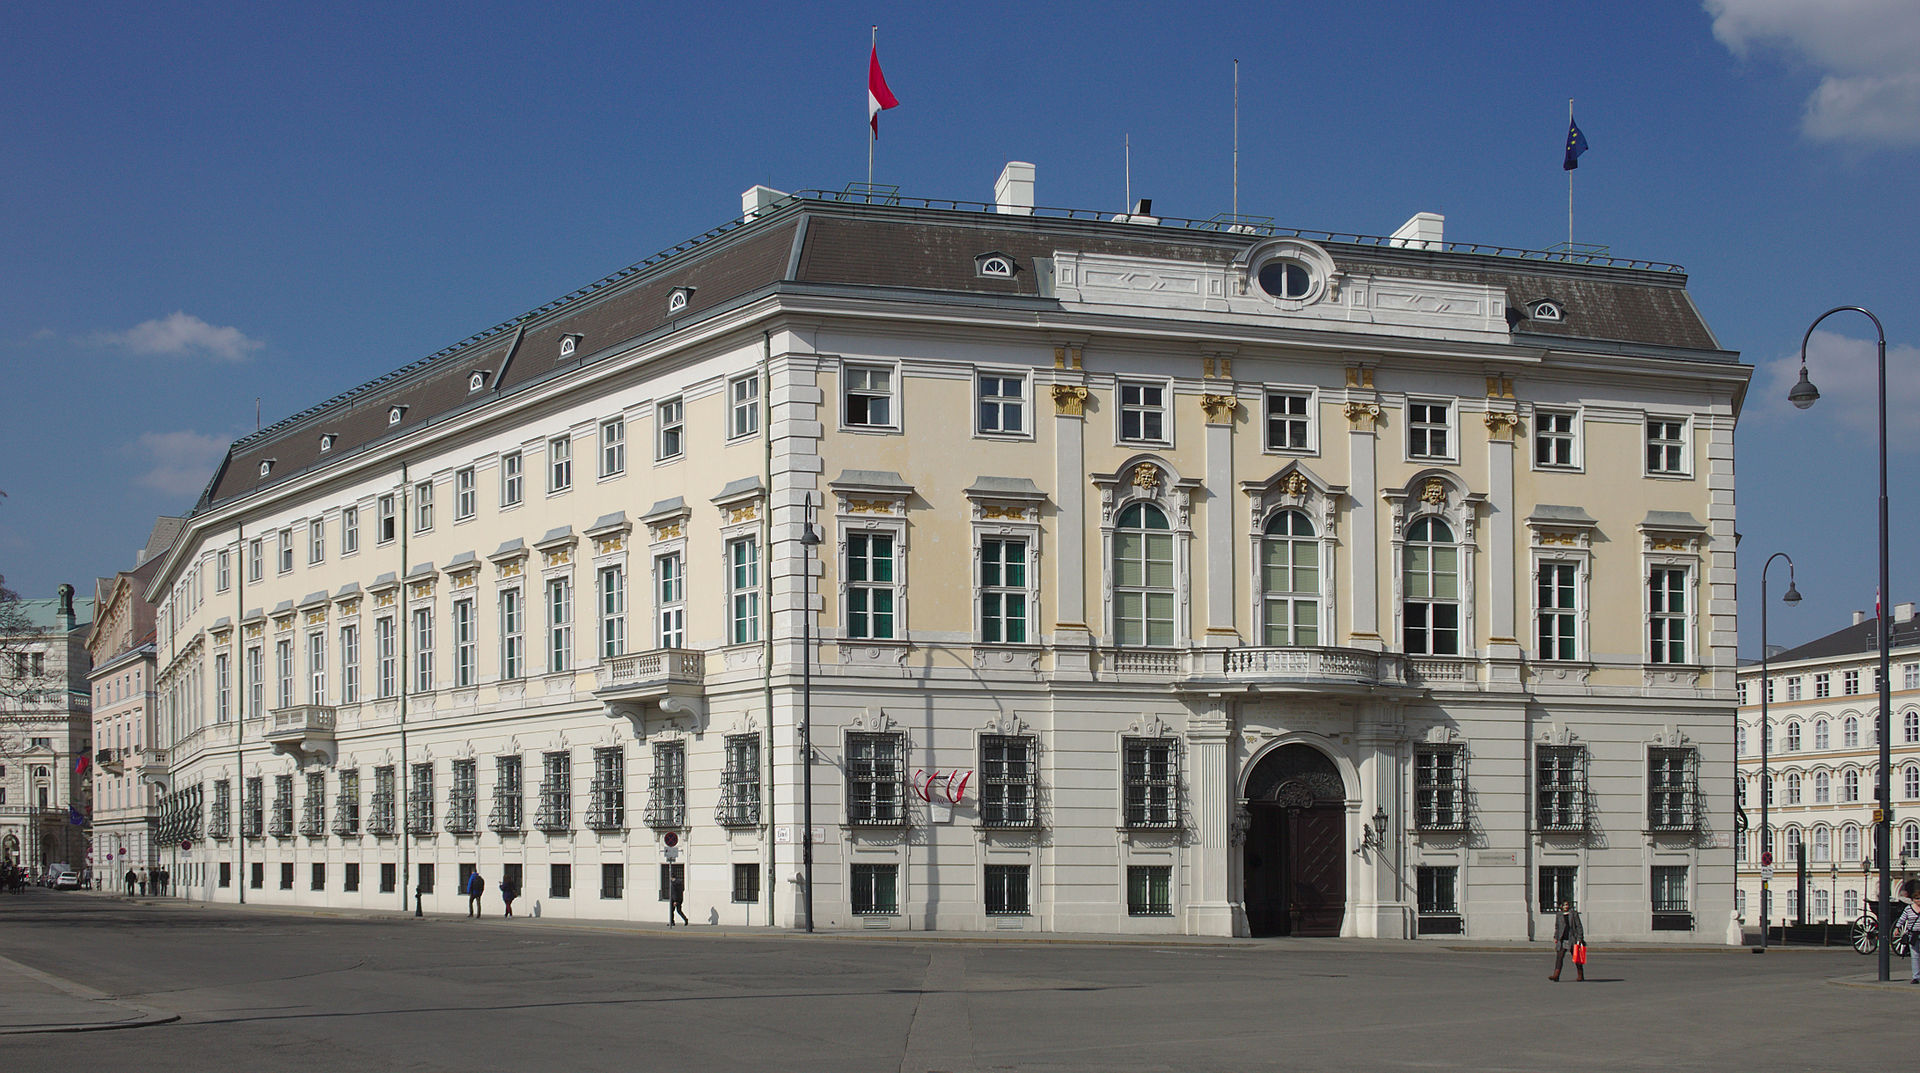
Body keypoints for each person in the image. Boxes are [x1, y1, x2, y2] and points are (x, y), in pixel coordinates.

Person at [1551, 898, 1586, 982]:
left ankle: (1580, 975)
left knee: (1577, 958)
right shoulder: (1559, 914)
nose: (1566, 906)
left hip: (1572, 939)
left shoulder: (1573, 914)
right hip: (1562, 940)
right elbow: (1557, 927)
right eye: (1564, 905)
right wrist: (1556, 937)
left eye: (1567, 905)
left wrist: (1579, 938)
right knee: (1559, 958)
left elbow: (1579, 926)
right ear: (1561, 906)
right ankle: (1556, 975)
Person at [1897, 880, 1920, 984]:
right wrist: (1897, 928)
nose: (1918, 900)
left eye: (1919, 898)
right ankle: (1916, 976)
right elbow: (1902, 919)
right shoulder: (1908, 909)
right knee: (1915, 956)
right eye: (1916, 898)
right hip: (1913, 934)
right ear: (1913, 899)